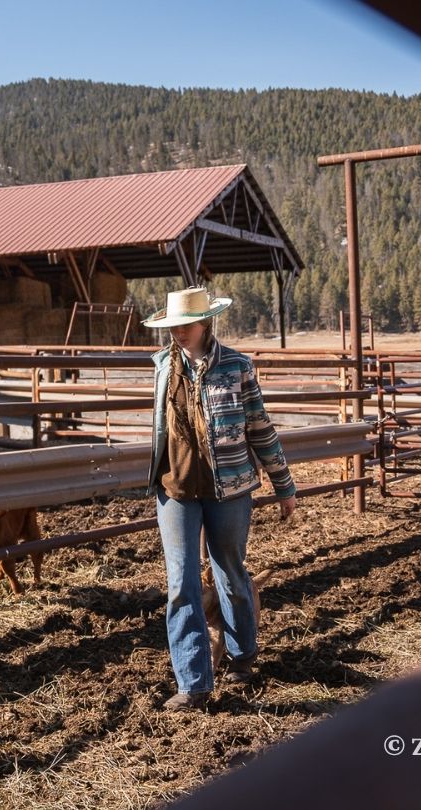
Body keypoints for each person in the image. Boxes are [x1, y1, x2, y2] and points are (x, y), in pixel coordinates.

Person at [143, 286, 298, 711]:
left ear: (205, 322)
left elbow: (259, 428)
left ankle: (242, 655)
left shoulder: (236, 366)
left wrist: (283, 484)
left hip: (228, 486)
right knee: (180, 581)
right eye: (172, 326)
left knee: (229, 570)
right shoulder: (161, 367)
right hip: (174, 487)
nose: (178, 333)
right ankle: (193, 683)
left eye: (185, 325)